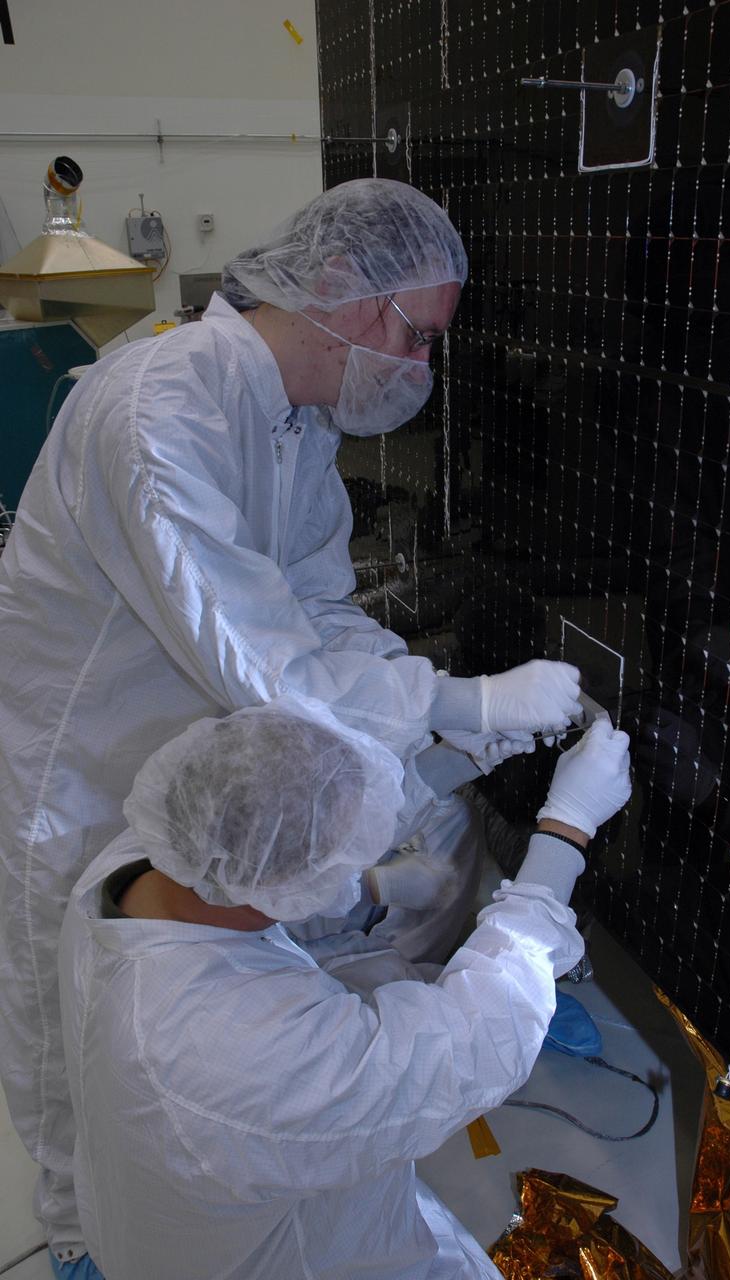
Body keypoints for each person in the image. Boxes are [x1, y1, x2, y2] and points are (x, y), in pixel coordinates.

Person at [0, 176, 584, 1274]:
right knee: (70, 1011)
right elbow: (257, 651)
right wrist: (455, 706)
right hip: (75, 758)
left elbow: (316, 614)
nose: (417, 367)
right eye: (415, 336)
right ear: (332, 286)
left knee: (165, 979)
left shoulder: (292, 424)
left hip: (180, 744)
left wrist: (435, 714)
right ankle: (84, 1236)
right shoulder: (160, 408)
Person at [57, 693, 632, 1280]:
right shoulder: (238, 1051)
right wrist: (565, 830)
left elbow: (280, 825)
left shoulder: (152, 854)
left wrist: (458, 758)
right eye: (342, 854)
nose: (354, 857)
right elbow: (471, 1049)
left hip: (174, 1211)